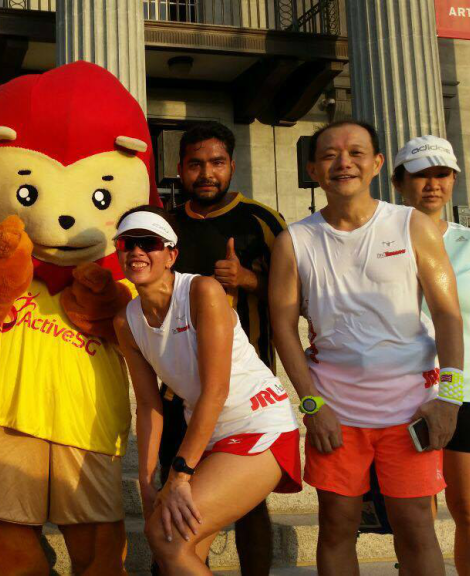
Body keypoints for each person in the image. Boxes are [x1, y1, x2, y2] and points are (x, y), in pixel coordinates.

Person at [269, 120, 465, 576]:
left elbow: (448, 314)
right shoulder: (294, 241)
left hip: (410, 407)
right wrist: (313, 404)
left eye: (356, 153)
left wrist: (450, 398)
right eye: (330, 155)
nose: (344, 163)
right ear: (314, 169)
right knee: (337, 526)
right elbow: (283, 329)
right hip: (336, 410)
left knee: (415, 525)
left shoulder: (411, 225)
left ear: (377, 164)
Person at [111, 206, 300, 575]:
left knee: (166, 537)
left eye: (148, 243)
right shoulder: (126, 320)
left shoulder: (202, 290)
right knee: (182, 551)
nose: (136, 252)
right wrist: (148, 481)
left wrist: (180, 475)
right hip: (213, 436)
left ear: (171, 255)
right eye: (126, 243)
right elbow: (149, 405)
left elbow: (216, 390)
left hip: (259, 425)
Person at [159, 120, 288, 575]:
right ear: (180, 168)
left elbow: (301, 297)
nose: (206, 173)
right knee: (176, 501)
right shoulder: (167, 227)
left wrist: (250, 280)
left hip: (243, 395)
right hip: (180, 394)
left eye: (216, 163)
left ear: (232, 165)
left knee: (249, 506)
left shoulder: (262, 220)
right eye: (196, 164)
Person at [393, 135, 470, 576]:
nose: (432, 184)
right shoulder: (380, 238)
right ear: (398, 181)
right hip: (403, 388)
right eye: (420, 175)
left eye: (441, 174)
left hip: (469, 389)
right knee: (415, 516)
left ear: (454, 179)